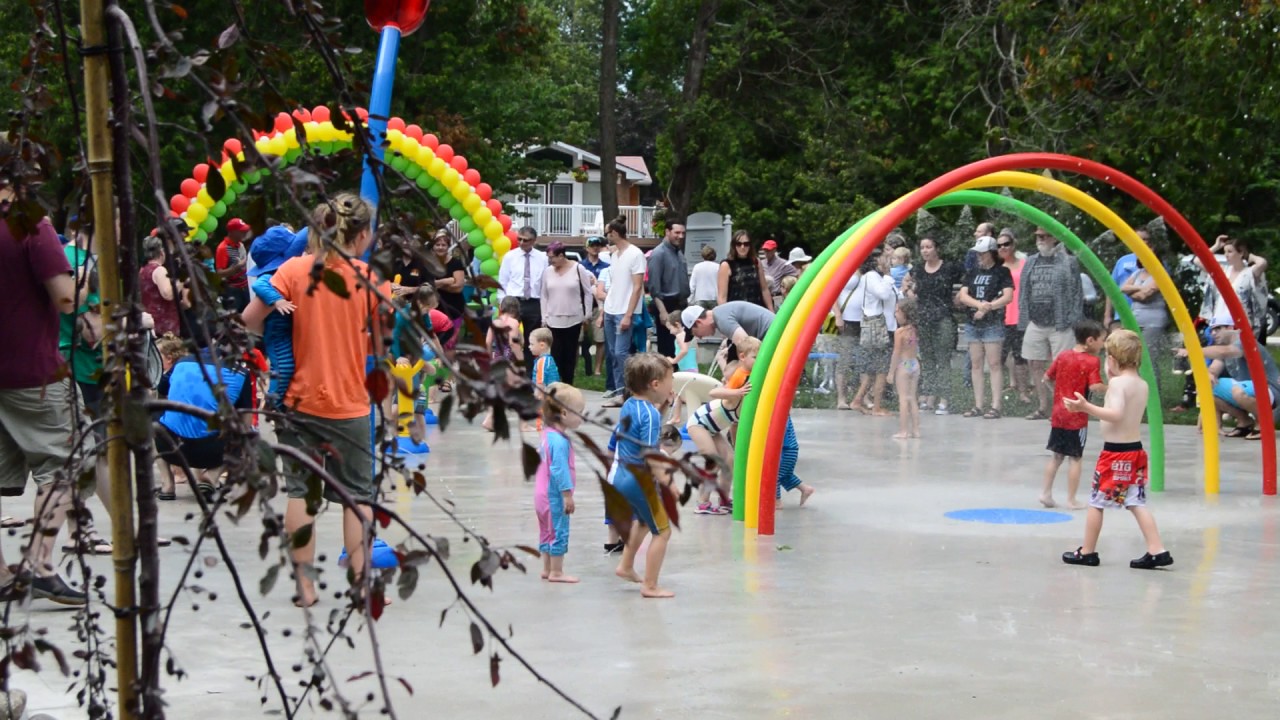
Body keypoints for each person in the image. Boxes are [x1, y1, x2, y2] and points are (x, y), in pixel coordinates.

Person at [240, 192, 390, 608]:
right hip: (351, 403)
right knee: (356, 495)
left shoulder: (292, 270)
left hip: (297, 400)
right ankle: (361, 584)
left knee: (299, 493)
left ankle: (306, 589)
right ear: (360, 235)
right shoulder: (370, 279)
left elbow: (250, 321)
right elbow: (379, 339)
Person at [0, 176, 88, 605]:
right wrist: (90, 282)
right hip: (34, 373)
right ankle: (40, 565)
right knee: (69, 463)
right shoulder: (32, 226)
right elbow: (66, 299)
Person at [682, 303, 816, 506]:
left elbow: (745, 344)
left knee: (730, 459)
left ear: (699, 322)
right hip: (779, 338)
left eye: (695, 332)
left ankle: (741, 499)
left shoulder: (722, 318)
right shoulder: (724, 318)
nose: (699, 337)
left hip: (776, 340)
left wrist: (751, 376)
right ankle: (708, 501)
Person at [1061, 330, 1172, 570]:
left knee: (1096, 502)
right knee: (1136, 502)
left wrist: (1086, 407)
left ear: (1111, 359)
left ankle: (1088, 551)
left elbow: (1116, 414)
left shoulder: (1117, 384)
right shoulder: (1140, 384)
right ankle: (1157, 549)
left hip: (1115, 455)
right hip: (1135, 452)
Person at [608, 353, 677, 598]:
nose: (673, 384)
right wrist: (669, 483)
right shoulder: (650, 415)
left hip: (622, 477)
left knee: (645, 521)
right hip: (639, 480)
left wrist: (665, 405)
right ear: (655, 384)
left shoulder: (630, 404)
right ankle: (650, 585)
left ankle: (626, 566)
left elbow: (639, 426)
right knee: (663, 531)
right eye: (670, 379)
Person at [154, 342, 255, 501]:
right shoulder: (241, 373)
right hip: (212, 452)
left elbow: (161, 392)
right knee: (248, 435)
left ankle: (167, 485)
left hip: (169, 446)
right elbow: (246, 422)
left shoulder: (181, 363)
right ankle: (211, 476)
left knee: (154, 421)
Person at [685, 337, 758, 515]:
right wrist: (737, 392)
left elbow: (736, 422)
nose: (758, 360)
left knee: (730, 461)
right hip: (699, 424)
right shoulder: (740, 377)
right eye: (755, 357)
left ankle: (724, 500)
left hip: (713, 428)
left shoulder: (751, 378)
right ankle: (703, 503)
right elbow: (714, 392)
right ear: (742, 356)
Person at [1039, 320, 1107, 510]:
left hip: (1059, 414)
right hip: (1076, 418)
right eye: (1102, 340)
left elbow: (1046, 378)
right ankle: (1071, 499)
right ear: (1090, 340)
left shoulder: (1063, 356)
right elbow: (1094, 386)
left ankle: (1045, 493)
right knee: (1075, 458)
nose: (1104, 345)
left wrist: (1059, 395)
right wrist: (1112, 388)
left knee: (1056, 456)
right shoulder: (1092, 361)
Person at [1019, 227, 1084, 420]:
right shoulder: (1031, 261)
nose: (1040, 240)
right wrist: (1024, 317)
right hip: (1036, 321)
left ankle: (1063, 407)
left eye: (1044, 236)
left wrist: (1074, 319)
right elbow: (1024, 290)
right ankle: (1043, 406)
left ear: (1054, 238)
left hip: (1060, 322)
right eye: (1037, 236)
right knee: (1034, 363)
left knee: (1062, 367)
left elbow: (1076, 293)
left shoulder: (1068, 261)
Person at [1189, 315, 1280, 440]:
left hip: (1272, 392)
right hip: (1247, 389)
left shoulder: (1244, 342)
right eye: (1212, 330)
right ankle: (1244, 422)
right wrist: (1209, 374)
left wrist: (1192, 350)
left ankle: (1263, 424)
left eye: (1218, 329)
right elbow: (1215, 367)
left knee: (1237, 390)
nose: (1213, 333)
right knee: (1206, 388)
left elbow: (1224, 352)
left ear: (1230, 327)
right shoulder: (1226, 348)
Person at [248, 224, 308, 408]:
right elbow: (260, 286)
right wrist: (277, 301)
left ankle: (278, 401)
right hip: (277, 333)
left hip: (286, 330)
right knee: (284, 366)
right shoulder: (272, 274)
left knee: (289, 367)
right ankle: (273, 402)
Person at [957, 236, 1015, 419]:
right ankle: (978, 405)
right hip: (973, 322)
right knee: (976, 364)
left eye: (982, 253)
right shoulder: (972, 272)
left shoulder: (1002, 272)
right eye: (978, 254)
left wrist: (987, 307)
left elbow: (1007, 297)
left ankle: (996, 405)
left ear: (991, 253)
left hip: (993, 323)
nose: (979, 257)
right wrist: (979, 305)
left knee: (994, 363)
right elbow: (963, 296)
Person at [908, 236, 963, 415]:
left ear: (936, 248)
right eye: (922, 247)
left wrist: (959, 297)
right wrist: (909, 292)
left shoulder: (948, 267)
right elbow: (906, 282)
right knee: (927, 358)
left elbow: (968, 279)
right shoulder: (918, 268)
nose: (925, 250)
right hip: (924, 318)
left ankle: (944, 399)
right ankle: (928, 396)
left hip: (943, 317)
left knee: (943, 358)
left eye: (929, 247)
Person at [536, 383, 583, 583]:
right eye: (579, 412)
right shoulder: (559, 441)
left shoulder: (547, 434)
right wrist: (567, 495)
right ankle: (557, 572)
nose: (582, 417)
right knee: (559, 530)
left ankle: (547, 568)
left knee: (547, 530)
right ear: (564, 413)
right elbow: (559, 469)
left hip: (541, 495)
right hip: (554, 495)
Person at [600, 216, 646, 408]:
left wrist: (628, 314)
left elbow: (637, 287)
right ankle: (621, 392)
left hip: (624, 311)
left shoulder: (635, 254)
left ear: (615, 233)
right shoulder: (614, 255)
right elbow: (616, 284)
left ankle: (631, 390)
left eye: (607, 233)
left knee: (621, 352)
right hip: (611, 308)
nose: (606, 237)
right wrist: (604, 312)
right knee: (613, 352)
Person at [539, 241, 595, 385]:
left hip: (574, 318)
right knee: (556, 353)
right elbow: (544, 295)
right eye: (548, 258)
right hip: (553, 318)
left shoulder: (578, 268)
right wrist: (544, 316)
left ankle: (568, 383)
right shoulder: (547, 272)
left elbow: (588, 292)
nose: (550, 261)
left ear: (561, 255)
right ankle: (556, 384)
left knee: (570, 354)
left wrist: (587, 314)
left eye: (552, 257)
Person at [849, 249, 897, 416]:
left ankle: (857, 400)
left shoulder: (877, 278)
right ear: (876, 261)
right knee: (881, 369)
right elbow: (883, 294)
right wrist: (889, 274)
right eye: (884, 256)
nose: (888, 258)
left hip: (884, 326)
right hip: (879, 328)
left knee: (872, 369)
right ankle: (876, 406)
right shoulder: (871, 277)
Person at [1198, 235, 1269, 336]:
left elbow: (1262, 263)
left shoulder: (1249, 273)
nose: (1226, 255)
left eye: (1230, 252)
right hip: (1218, 322)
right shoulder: (1222, 271)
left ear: (1240, 253)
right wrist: (1216, 246)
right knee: (1218, 350)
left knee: (1235, 350)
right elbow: (1198, 260)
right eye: (1224, 252)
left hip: (1239, 323)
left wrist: (1250, 256)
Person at [497, 226, 548, 363]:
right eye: (519, 239)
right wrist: (503, 304)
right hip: (513, 301)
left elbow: (544, 283)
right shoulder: (510, 256)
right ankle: (508, 368)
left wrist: (544, 306)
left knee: (532, 338)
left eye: (526, 240)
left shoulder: (542, 258)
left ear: (533, 240)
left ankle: (530, 370)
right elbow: (503, 281)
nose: (521, 242)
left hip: (533, 301)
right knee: (510, 337)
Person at [996, 228, 1032, 404]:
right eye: (999, 245)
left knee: (1020, 357)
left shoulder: (1025, 264)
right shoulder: (997, 268)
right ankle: (997, 395)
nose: (1003, 248)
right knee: (998, 358)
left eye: (1006, 244)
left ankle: (1023, 392)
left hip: (1020, 316)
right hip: (1001, 318)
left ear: (1013, 245)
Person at [646, 219, 689, 358]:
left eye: (683, 233)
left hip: (680, 304)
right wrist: (663, 312)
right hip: (666, 305)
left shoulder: (678, 252)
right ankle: (666, 376)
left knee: (680, 345)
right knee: (667, 349)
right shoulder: (658, 254)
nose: (680, 236)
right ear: (667, 232)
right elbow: (654, 287)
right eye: (677, 232)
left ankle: (677, 375)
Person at [481, 297, 525, 431]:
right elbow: (513, 343)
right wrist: (521, 360)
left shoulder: (495, 322)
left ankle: (492, 419)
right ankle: (490, 420)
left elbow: (488, 342)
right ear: (516, 310)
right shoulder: (513, 322)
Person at [1102, 227, 1150, 330]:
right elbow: (1111, 288)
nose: (1140, 242)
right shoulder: (1122, 261)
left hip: (1144, 316)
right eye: (1137, 239)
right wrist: (1107, 315)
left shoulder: (1155, 263)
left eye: (1144, 239)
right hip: (1121, 316)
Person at [888, 297, 921, 439]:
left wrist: (891, 372)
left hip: (904, 364)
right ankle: (916, 430)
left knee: (903, 399)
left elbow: (896, 353)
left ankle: (903, 431)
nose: (895, 314)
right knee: (912, 398)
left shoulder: (899, 332)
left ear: (905, 313)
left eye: (897, 311)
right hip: (914, 363)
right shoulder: (915, 329)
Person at [833, 267, 864, 410]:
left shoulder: (867, 266)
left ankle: (862, 396)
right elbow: (833, 293)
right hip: (847, 320)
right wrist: (838, 315)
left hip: (866, 320)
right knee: (844, 359)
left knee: (865, 360)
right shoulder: (843, 266)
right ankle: (841, 398)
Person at [579, 235, 610, 378]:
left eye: (598, 245)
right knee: (577, 339)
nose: (595, 247)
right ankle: (574, 368)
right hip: (581, 307)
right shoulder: (580, 266)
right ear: (586, 247)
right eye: (592, 245)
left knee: (600, 339)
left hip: (599, 307)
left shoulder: (606, 267)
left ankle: (597, 369)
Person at [718, 231, 773, 310]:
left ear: (750, 246)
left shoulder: (756, 262)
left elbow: (764, 289)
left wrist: (771, 311)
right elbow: (722, 297)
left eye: (746, 244)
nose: (742, 247)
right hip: (736, 312)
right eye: (739, 244)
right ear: (734, 246)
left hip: (757, 310)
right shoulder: (726, 265)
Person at [139, 235, 182, 337]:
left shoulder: (142, 270)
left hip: (150, 319)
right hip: (164, 323)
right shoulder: (159, 270)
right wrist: (180, 282)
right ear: (162, 252)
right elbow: (168, 294)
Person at [428, 229, 469, 319]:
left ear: (448, 247)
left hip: (454, 307)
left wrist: (436, 284)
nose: (440, 247)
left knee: (452, 332)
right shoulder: (429, 264)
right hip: (433, 307)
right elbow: (425, 283)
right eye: (437, 245)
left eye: (443, 245)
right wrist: (446, 281)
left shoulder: (456, 263)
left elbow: (458, 287)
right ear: (433, 247)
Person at [216, 218, 252, 312]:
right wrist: (236, 268)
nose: (244, 233)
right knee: (235, 318)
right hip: (233, 290)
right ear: (233, 232)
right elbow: (219, 273)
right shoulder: (223, 248)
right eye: (241, 231)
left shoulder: (240, 245)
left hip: (246, 286)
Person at [760, 239, 799, 304]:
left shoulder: (783, 264)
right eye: (765, 250)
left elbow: (797, 274)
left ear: (774, 250)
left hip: (777, 297)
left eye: (769, 250)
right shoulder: (761, 263)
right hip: (764, 297)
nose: (766, 252)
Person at [688, 244, 720, 310]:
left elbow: (692, 286)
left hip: (700, 297)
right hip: (714, 297)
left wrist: (690, 301)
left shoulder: (697, 267)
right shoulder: (718, 267)